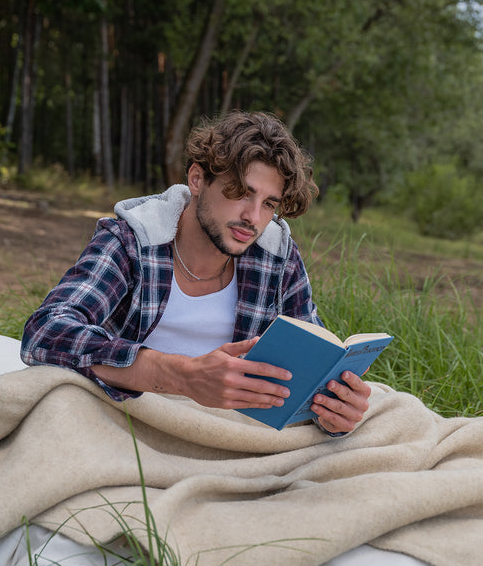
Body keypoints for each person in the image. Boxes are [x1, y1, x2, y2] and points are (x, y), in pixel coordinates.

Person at [21, 111, 370, 435]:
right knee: (51, 403)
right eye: (241, 193)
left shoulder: (276, 256)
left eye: (268, 203)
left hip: (229, 429)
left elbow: (316, 361)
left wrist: (336, 409)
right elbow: (45, 333)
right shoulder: (132, 239)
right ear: (197, 179)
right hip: (131, 415)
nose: (253, 218)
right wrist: (183, 376)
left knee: (397, 411)